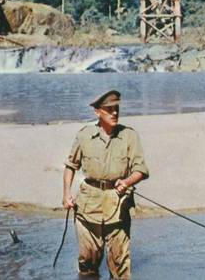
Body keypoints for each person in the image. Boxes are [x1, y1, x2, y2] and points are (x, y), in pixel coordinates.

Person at [62, 90, 149, 279]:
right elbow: (70, 166)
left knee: (120, 265)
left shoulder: (129, 136)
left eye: (116, 108)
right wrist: (66, 194)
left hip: (118, 206)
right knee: (87, 261)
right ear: (97, 112)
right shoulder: (84, 136)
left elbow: (141, 170)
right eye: (109, 109)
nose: (115, 113)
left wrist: (127, 181)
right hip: (88, 207)